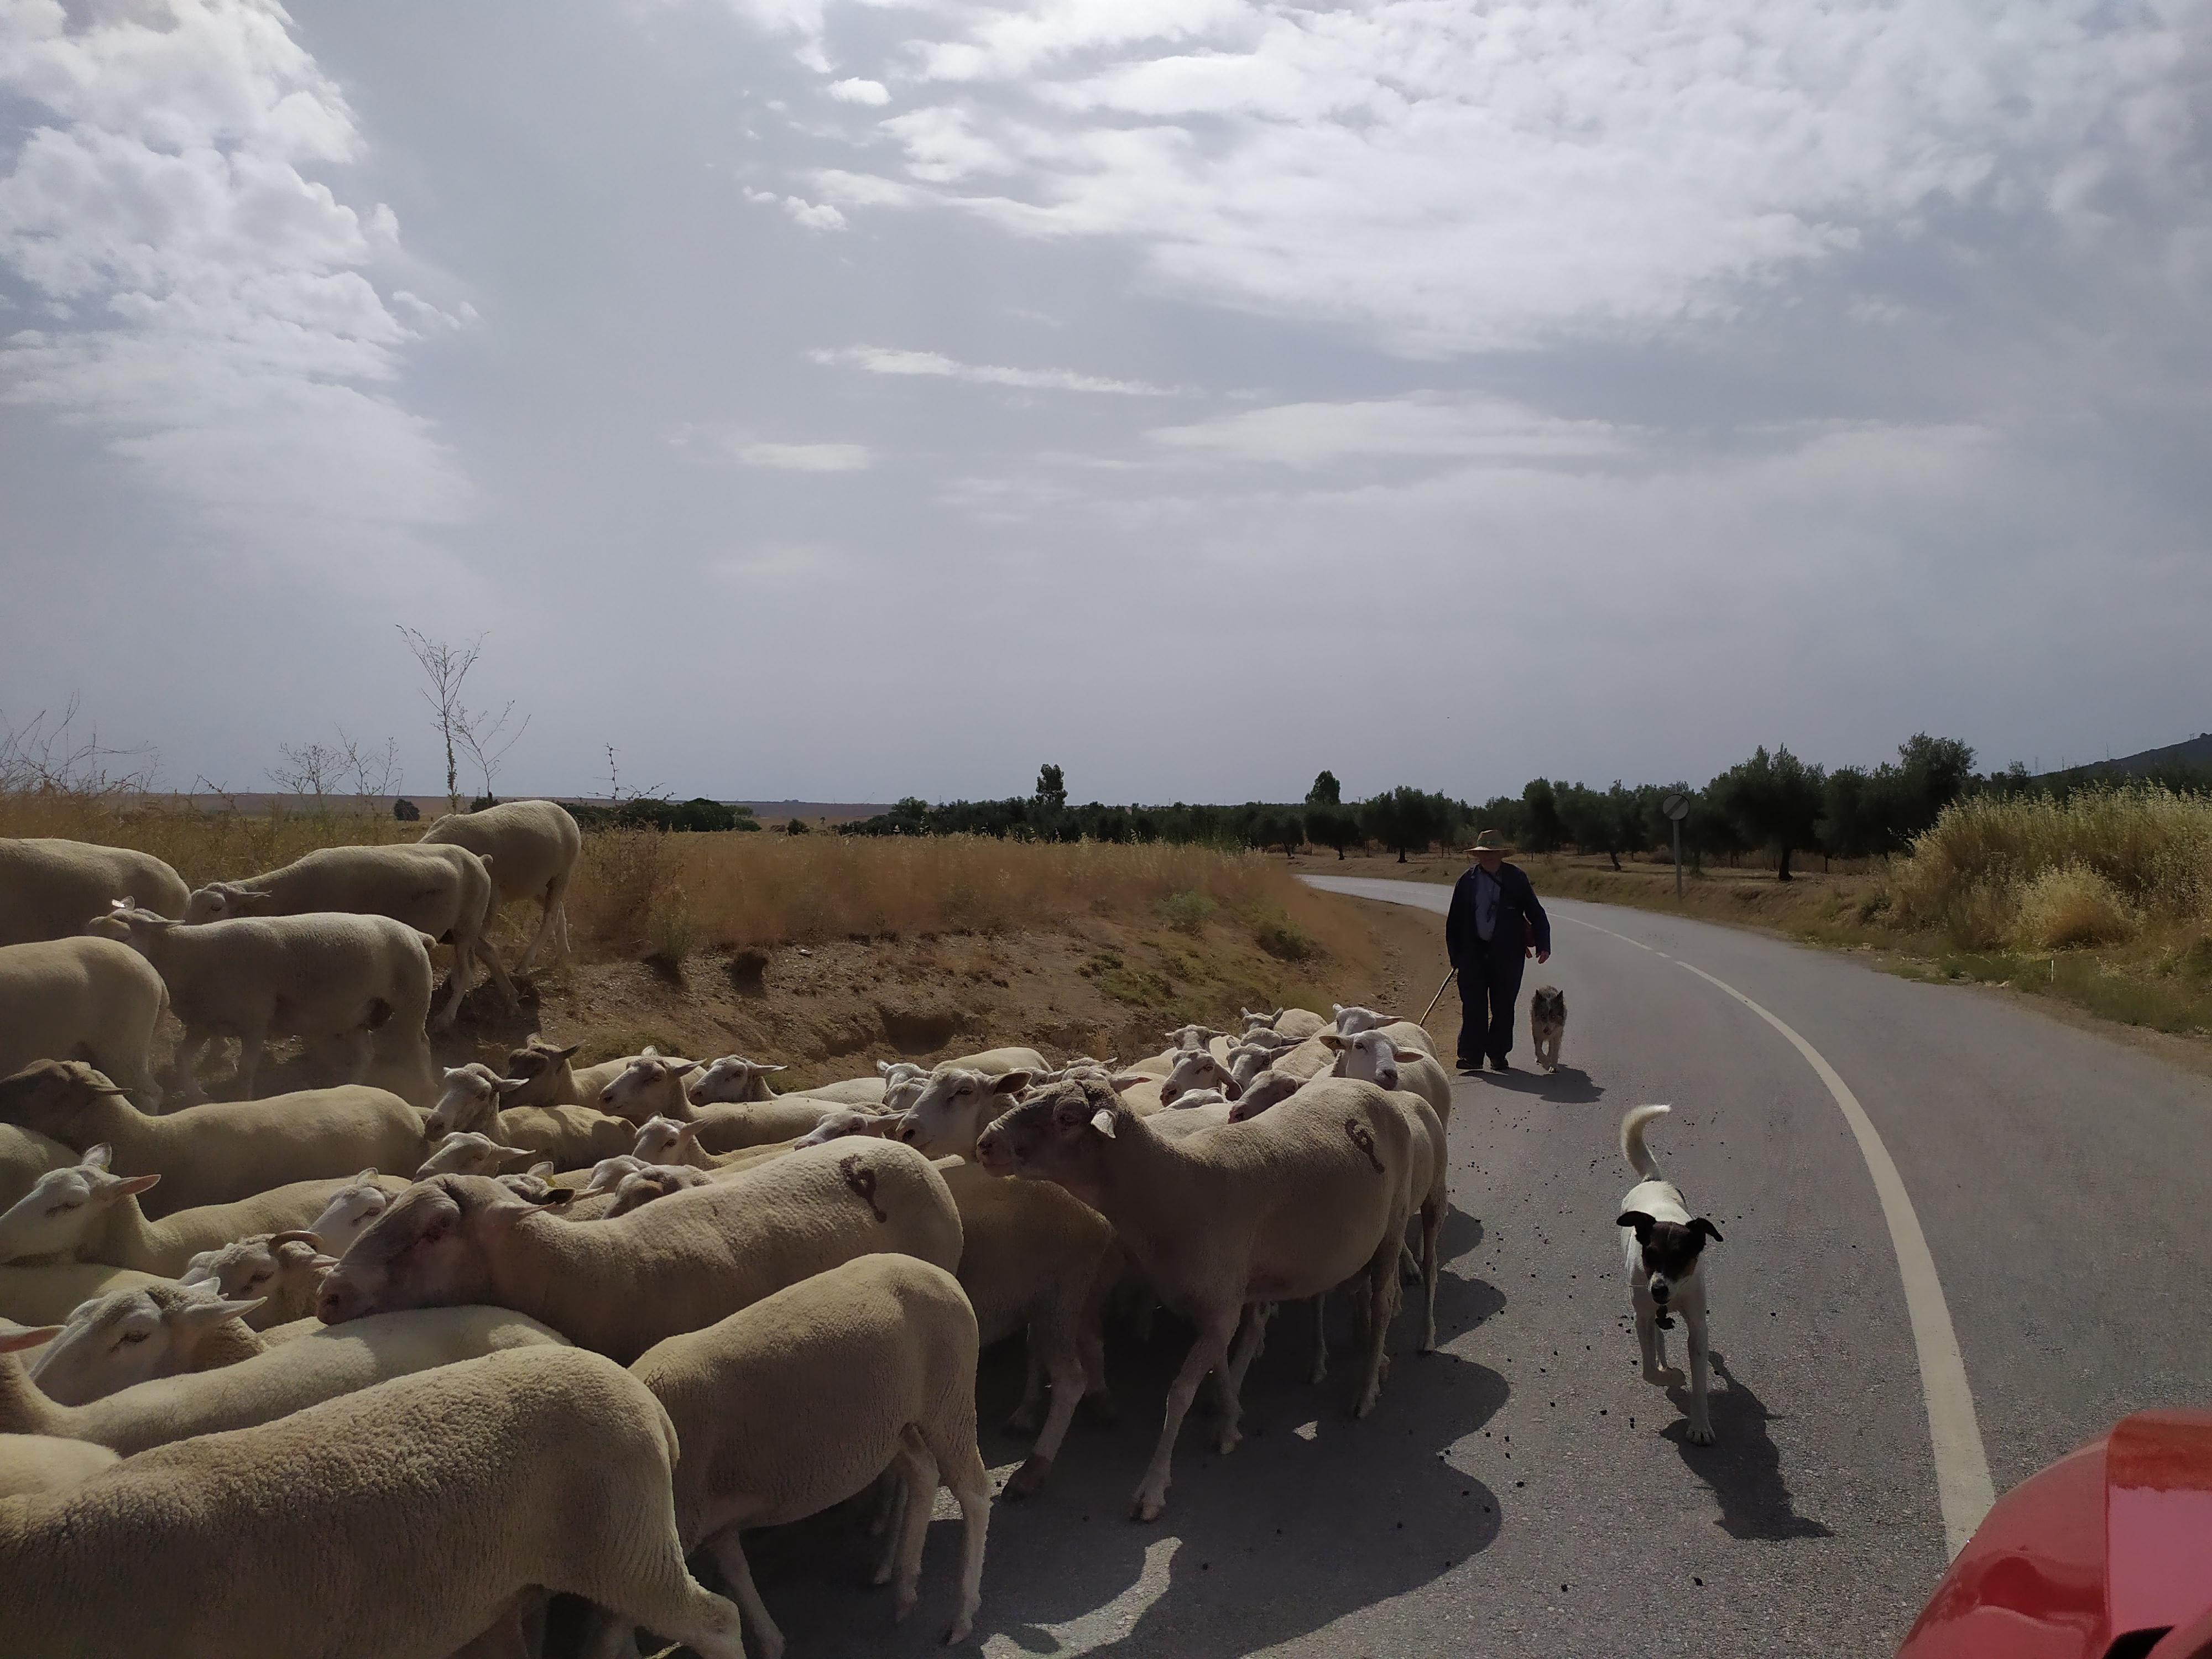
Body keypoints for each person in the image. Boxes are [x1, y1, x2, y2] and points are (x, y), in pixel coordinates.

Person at [1444, 829, 1551, 1073]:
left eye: (1493, 853)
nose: (1489, 857)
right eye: (1484, 853)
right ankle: (1471, 1056)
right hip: (1472, 955)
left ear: (1501, 854)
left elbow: (1536, 912)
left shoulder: (1516, 878)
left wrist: (1544, 944)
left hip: (1509, 955)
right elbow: (1454, 923)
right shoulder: (1466, 881)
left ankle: (1498, 1054)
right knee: (1473, 1006)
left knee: (1503, 1006)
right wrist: (1456, 957)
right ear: (1478, 855)